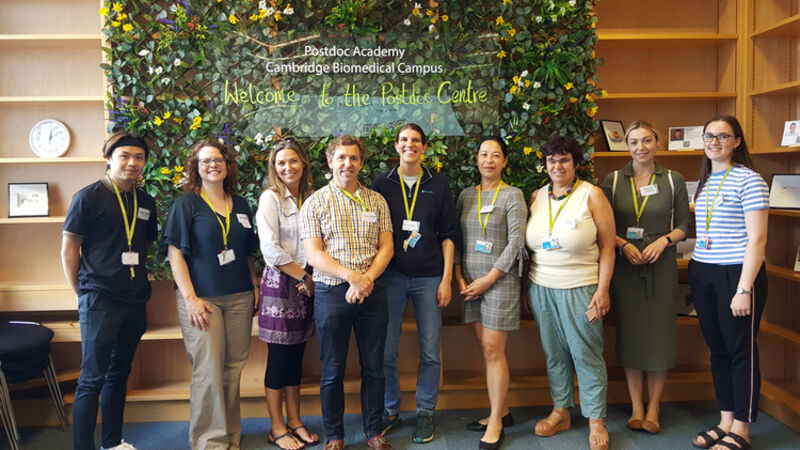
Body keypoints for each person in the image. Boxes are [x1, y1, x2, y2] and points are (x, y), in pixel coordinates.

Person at [61, 132, 157, 450]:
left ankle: (113, 443)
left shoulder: (145, 201)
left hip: (134, 298)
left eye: (139, 157)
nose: (132, 163)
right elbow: (69, 250)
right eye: (125, 156)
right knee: (92, 378)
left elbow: (143, 245)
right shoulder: (87, 197)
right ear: (109, 159)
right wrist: (83, 294)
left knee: (119, 374)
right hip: (99, 298)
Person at [162, 139, 259, 450]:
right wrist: (190, 299)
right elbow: (175, 254)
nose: (212, 165)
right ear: (196, 167)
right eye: (205, 161)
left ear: (227, 165)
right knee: (208, 371)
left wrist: (255, 288)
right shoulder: (186, 204)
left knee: (233, 367)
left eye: (218, 159)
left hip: (240, 297)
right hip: (203, 300)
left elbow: (246, 254)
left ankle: (230, 433)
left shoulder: (242, 204)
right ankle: (209, 441)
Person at [300, 136, 395, 450]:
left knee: (374, 367)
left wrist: (365, 280)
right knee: (332, 370)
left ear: (361, 163)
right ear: (330, 162)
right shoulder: (315, 202)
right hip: (330, 294)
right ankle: (335, 436)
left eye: (353, 158)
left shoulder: (376, 201)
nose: (347, 164)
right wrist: (352, 277)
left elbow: (387, 247)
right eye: (341, 158)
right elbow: (314, 255)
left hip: (372, 293)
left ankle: (373, 433)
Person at [525, 136, 615, 450]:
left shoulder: (592, 194)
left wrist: (603, 290)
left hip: (581, 289)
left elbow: (607, 247)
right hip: (542, 289)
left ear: (575, 163)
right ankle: (561, 410)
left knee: (586, 355)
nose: (557, 166)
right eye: (551, 160)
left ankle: (595, 419)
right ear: (545, 165)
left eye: (563, 160)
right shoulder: (537, 196)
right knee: (555, 354)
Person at [600, 120, 690, 434]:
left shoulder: (672, 180)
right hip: (625, 269)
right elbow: (603, 227)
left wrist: (664, 241)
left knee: (659, 338)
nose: (641, 147)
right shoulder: (612, 181)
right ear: (627, 146)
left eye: (647, 141)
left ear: (657, 142)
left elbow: (683, 225)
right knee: (632, 336)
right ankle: (637, 407)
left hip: (661, 267)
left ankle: (654, 408)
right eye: (634, 142)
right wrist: (623, 245)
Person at [372, 124, 460, 443]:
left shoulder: (438, 184)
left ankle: (425, 412)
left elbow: (450, 233)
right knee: (386, 350)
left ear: (425, 148)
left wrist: (446, 279)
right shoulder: (382, 183)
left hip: (429, 277)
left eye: (416, 141)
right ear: (396, 147)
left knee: (430, 350)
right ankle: (391, 410)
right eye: (404, 140)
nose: (410, 145)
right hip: (391, 276)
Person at [689, 116, 768, 450]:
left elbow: (758, 240)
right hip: (703, 270)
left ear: (737, 141)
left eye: (723, 136)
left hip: (737, 274)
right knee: (717, 350)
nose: (714, 141)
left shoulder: (749, 180)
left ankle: (742, 428)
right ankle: (725, 421)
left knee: (740, 353)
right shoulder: (707, 181)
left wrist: (743, 289)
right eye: (709, 135)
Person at [454, 137, 527, 450]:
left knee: (493, 350)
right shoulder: (466, 195)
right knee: (486, 349)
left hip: (499, 282)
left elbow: (516, 243)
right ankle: (503, 409)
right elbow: (454, 238)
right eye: (484, 154)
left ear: (505, 161)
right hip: (469, 284)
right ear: (476, 158)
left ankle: (496, 420)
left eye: (495, 155)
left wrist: (489, 278)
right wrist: (458, 276)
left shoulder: (513, 195)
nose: (489, 160)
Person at [255, 138, 318, 450]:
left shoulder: (312, 197)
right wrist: (304, 276)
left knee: (296, 358)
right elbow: (270, 250)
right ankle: (276, 427)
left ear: (303, 163)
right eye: (281, 163)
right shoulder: (271, 198)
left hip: (308, 285)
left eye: (293, 161)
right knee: (279, 359)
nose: (287, 167)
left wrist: (310, 279)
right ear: (274, 168)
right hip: (282, 285)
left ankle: (295, 421)